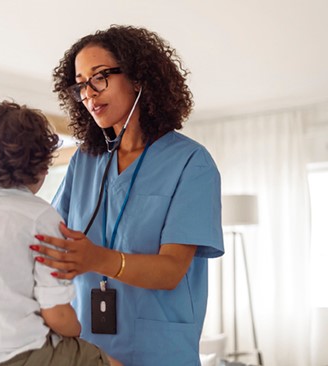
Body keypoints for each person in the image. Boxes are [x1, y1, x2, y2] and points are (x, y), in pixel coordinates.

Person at [30, 25, 224, 365]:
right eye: (80, 84)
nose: (88, 93)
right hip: (88, 349)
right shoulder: (85, 161)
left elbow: (171, 271)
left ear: (138, 78)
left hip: (158, 350)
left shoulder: (191, 163)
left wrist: (95, 259)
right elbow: (53, 241)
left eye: (99, 77)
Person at [0, 100, 122, 366]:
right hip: (21, 356)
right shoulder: (40, 217)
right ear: (42, 165)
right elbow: (57, 315)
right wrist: (77, 332)